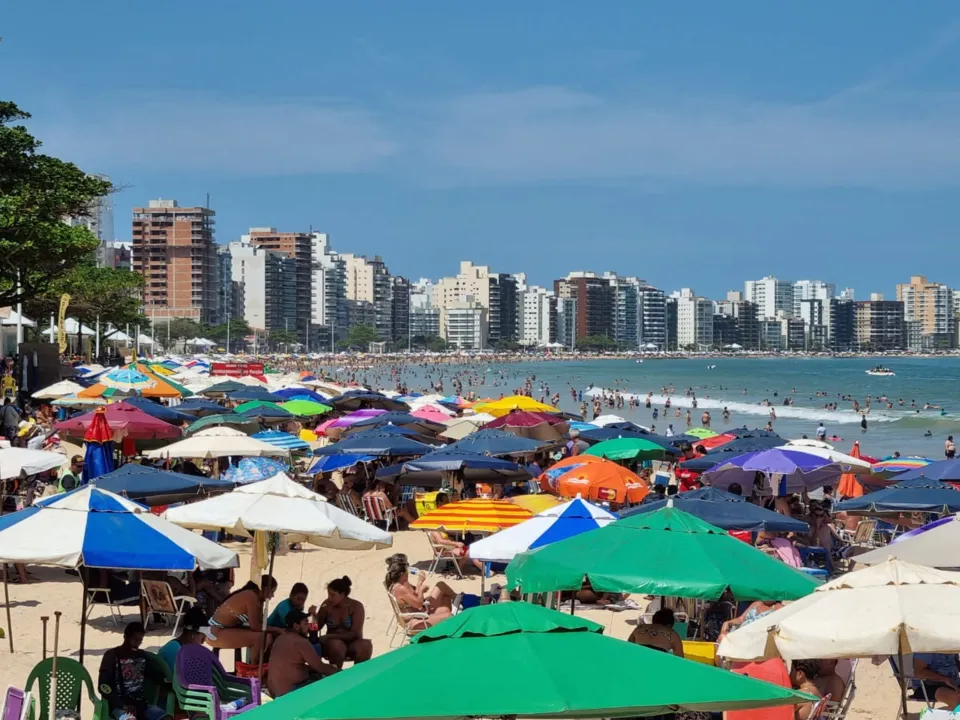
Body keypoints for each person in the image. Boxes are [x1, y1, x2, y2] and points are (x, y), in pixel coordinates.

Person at [98, 622, 171, 720]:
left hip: (141, 704)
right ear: (125, 637)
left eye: (140, 640)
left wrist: (168, 684)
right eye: (134, 639)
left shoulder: (141, 656)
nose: (137, 643)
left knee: (165, 718)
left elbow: (155, 676)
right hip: (120, 706)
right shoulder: (112, 656)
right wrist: (122, 705)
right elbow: (103, 686)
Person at [207, 574, 279, 664]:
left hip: (223, 630)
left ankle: (256, 667)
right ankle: (254, 670)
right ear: (263, 589)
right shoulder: (251, 597)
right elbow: (256, 626)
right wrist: (277, 630)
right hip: (215, 633)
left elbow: (260, 624)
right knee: (259, 638)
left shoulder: (257, 598)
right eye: (271, 592)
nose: (272, 596)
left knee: (265, 636)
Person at [267, 609, 338, 697]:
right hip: (291, 692)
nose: (308, 626)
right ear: (296, 626)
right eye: (305, 623)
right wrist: (341, 673)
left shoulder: (280, 638)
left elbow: (313, 638)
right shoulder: (300, 642)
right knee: (329, 681)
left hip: (276, 691)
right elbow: (320, 667)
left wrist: (314, 622)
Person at [314, 576, 373, 667]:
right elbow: (316, 627)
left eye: (333, 595)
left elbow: (355, 633)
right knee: (337, 645)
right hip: (332, 644)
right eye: (329, 594)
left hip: (351, 642)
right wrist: (312, 617)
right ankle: (335, 673)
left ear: (342, 594)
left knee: (366, 645)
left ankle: (360, 674)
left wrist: (328, 636)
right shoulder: (327, 605)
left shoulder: (356, 607)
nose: (330, 598)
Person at [385, 562, 457, 627]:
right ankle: (459, 600)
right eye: (406, 571)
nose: (408, 573)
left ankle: (458, 600)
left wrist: (419, 583)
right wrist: (421, 590)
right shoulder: (400, 588)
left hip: (419, 614)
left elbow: (413, 598)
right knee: (449, 616)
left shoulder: (396, 585)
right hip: (414, 621)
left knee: (446, 603)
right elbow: (419, 604)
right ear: (402, 574)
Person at [157, 607, 208, 673]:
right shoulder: (176, 652)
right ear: (193, 635)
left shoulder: (178, 647)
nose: (203, 642)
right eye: (202, 638)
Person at [716, 599, 783, 644]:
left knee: (724, 638)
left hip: (757, 638)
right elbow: (741, 619)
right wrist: (727, 622)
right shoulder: (757, 603)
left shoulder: (779, 607)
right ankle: (721, 664)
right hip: (742, 632)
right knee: (722, 637)